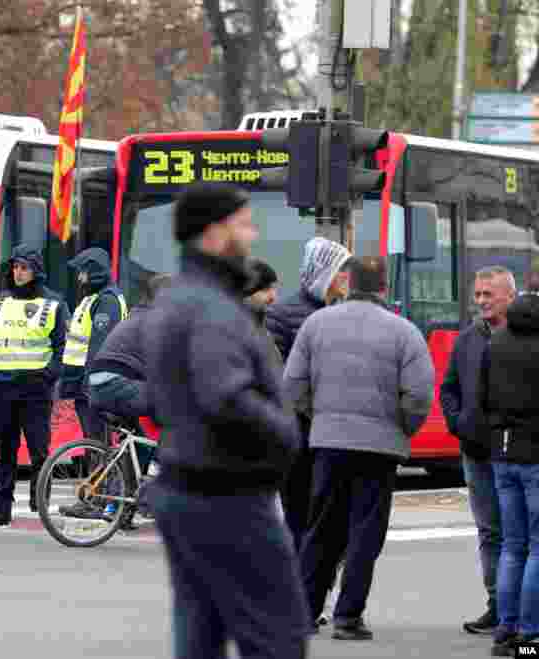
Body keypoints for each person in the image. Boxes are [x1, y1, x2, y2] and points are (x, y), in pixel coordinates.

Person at [144, 183, 306, 659]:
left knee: (200, 634)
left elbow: (161, 398)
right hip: (226, 492)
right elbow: (225, 396)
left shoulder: (180, 299)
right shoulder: (211, 308)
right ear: (214, 234)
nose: (252, 234)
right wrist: (285, 435)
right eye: (244, 224)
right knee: (277, 636)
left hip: (188, 484)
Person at [283, 256, 434, 640]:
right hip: (380, 448)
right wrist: (403, 429)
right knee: (365, 533)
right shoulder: (405, 332)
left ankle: (304, 612)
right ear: (385, 286)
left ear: (348, 283)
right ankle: (348, 617)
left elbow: (293, 385)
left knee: (321, 529)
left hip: (329, 442)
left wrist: (320, 416)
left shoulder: (315, 325)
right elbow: (418, 394)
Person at [439, 265, 516, 635]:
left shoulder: (524, 337)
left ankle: (519, 611)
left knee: (521, 532)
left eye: (489, 294)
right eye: (479, 294)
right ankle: (497, 605)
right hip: (477, 452)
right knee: (490, 532)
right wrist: (459, 423)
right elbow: (449, 388)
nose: (481, 300)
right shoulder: (468, 339)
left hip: (517, 453)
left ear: (509, 297)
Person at [0, 244, 70, 526]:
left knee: (39, 450)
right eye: (15, 266)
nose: (18, 271)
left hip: (35, 388)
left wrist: (48, 375)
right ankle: (1, 508)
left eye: (24, 267)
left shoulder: (54, 303)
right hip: (1, 387)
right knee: (5, 452)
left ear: (36, 270)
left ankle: (40, 505)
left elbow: (64, 344)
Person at [266, 236, 351, 554]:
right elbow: (278, 374)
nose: (347, 277)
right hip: (298, 432)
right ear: (325, 271)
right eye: (342, 270)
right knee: (300, 514)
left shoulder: (345, 311)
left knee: (330, 515)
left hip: (333, 432)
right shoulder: (282, 314)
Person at [70, 273, 172, 526]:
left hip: (100, 384)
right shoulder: (155, 321)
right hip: (116, 384)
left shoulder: (140, 316)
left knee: (139, 443)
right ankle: (152, 492)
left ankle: (118, 509)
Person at [473, 283, 539, 656]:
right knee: (538, 547)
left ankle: (505, 631)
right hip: (535, 457)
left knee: (512, 546)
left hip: (502, 454)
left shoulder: (494, 344)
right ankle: (531, 635)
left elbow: (480, 399)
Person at [60, 247, 127, 442]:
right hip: (82, 380)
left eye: (83, 273)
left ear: (94, 272)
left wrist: (92, 382)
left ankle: (102, 472)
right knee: (94, 440)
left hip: (91, 381)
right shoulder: (93, 298)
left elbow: (99, 345)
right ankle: (99, 471)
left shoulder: (106, 301)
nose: (80, 278)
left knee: (97, 441)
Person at [244, 258, 283, 369]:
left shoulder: (261, 327)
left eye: (274, 288)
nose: (273, 297)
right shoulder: (233, 334)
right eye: (265, 289)